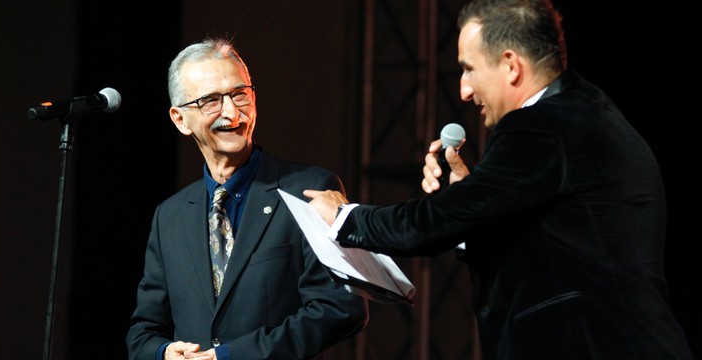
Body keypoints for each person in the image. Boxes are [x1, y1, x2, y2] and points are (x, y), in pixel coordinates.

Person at [303, 0, 693, 359]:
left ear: (510, 65)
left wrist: (346, 217)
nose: (465, 90)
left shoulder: (541, 126)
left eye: (469, 68)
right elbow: (554, 247)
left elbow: (431, 224)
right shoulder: (580, 113)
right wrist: (470, 204)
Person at [126, 38, 368, 360]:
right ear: (180, 119)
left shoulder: (308, 191)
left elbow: (340, 309)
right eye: (210, 101)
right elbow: (143, 334)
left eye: (240, 95)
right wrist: (163, 353)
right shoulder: (169, 217)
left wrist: (230, 356)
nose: (232, 112)